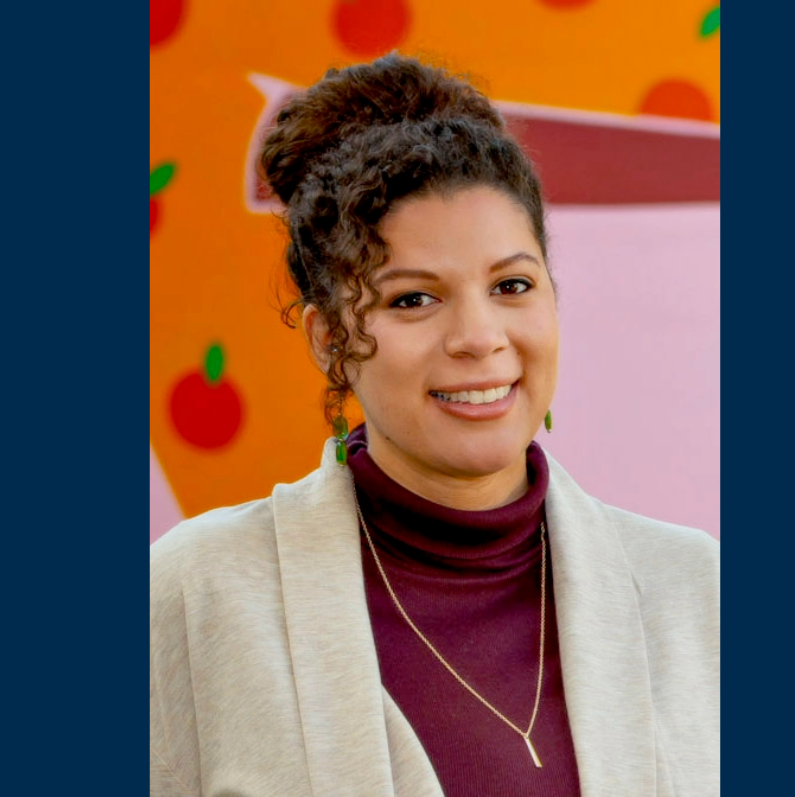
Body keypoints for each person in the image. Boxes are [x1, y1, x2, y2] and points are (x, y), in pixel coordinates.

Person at [150, 53, 719, 797]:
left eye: (512, 285)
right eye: (414, 300)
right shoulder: (199, 594)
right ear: (330, 338)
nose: (479, 337)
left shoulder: (694, 592)